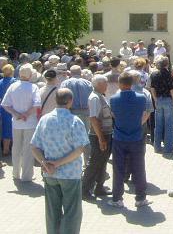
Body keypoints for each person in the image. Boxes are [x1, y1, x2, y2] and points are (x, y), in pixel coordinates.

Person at [30, 88, 89, 234]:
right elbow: (80, 149)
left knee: (52, 212)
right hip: (70, 174)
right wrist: (57, 164)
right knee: (72, 212)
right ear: (70, 102)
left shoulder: (44, 119)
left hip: (50, 174)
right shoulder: (75, 121)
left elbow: (34, 146)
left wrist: (45, 163)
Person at [108, 72, 151, 208]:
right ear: (132, 83)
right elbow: (144, 114)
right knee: (139, 167)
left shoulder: (113, 99)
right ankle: (140, 198)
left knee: (118, 168)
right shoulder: (141, 98)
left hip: (119, 137)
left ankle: (117, 198)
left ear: (120, 83)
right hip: (136, 136)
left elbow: (113, 115)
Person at [1, 64, 41, 181]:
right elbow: (37, 105)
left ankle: (16, 173)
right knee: (28, 148)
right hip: (30, 122)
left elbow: (5, 104)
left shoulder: (13, 86)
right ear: (30, 75)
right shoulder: (33, 87)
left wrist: (16, 113)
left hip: (16, 122)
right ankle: (27, 175)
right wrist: (26, 114)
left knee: (16, 148)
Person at [81, 75, 113, 200]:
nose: (107, 85)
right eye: (105, 83)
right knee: (94, 162)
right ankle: (84, 189)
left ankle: (99, 187)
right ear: (98, 84)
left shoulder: (100, 96)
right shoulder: (95, 98)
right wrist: (101, 138)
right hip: (98, 135)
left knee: (102, 161)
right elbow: (93, 118)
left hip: (105, 133)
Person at [150, 56, 173, 154]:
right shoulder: (170, 75)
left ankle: (157, 147)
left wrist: (155, 99)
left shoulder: (154, 74)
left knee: (158, 124)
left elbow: (152, 88)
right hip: (168, 100)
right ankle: (168, 148)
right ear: (167, 64)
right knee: (169, 125)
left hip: (158, 100)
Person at [0, 64, 16, 157]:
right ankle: (11, 149)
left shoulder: (0, 82)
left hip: (3, 107)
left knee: (5, 128)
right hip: (13, 107)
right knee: (13, 129)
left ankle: (5, 150)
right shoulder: (15, 82)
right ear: (12, 71)